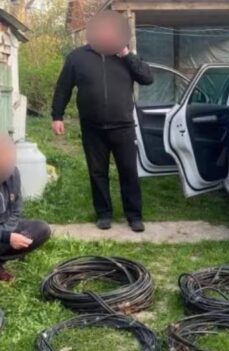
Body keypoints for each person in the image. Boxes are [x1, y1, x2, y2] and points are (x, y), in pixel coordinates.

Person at [51, 11, 153, 232]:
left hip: (123, 126)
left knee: (128, 172)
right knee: (97, 173)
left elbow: (147, 78)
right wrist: (57, 116)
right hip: (92, 127)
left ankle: (134, 216)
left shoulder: (126, 55)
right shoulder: (77, 57)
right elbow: (63, 88)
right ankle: (104, 214)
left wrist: (126, 54)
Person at [0, 135, 51, 282]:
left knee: (41, 229)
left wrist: (8, 232)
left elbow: (16, 208)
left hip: (5, 228)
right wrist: (7, 237)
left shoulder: (13, 173)